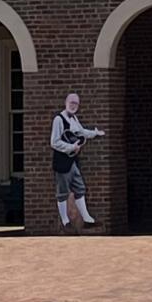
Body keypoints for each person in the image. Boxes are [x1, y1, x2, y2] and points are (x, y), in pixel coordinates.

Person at [48, 92, 104, 229]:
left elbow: (81, 132)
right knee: (62, 192)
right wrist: (71, 147)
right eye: (71, 103)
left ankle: (87, 219)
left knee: (80, 187)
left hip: (72, 160)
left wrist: (95, 133)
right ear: (66, 102)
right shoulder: (59, 119)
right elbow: (54, 142)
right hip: (62, 161)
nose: (73, 106)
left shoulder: (74, 119)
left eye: (76, 104)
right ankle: (65, 221)